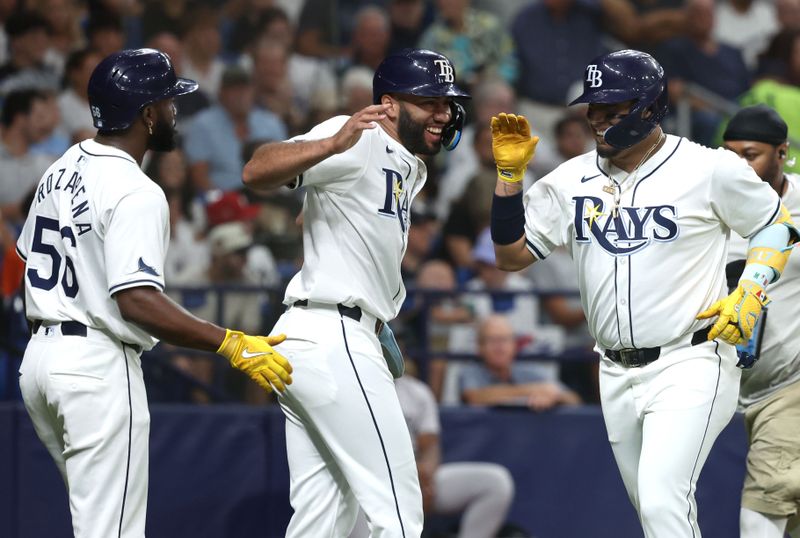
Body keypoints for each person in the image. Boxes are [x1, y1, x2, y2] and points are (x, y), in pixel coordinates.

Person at [488, 49, 797, 537]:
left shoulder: (707, 167)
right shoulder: (571, 179)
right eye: (593, 109)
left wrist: (754, 288)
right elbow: (511, 256)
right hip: (612, 369)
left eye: (613, 110)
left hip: (691, 358)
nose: (598, 120)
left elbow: (776, 224)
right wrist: (507, 180)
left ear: (650, 108)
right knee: (656, 515)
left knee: (661, 502)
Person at [16, 49, 293, 538]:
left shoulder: (63, 165)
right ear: (146, 114)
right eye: (167, 101)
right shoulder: (136, 190)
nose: (174, 111)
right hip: (95, 367)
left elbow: (27, 261)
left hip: (41, 362)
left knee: (96, 523)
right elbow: (136, 300)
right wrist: (227, 341)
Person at [241, 48, 470, 538]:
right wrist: (331, 145)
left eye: (447, 103)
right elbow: (258, 169)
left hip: (320, 337)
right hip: (335, 336)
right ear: (388, 104)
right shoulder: (359, 136)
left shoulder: (405, 162)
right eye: (429, 101)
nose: (444, 113)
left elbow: (344, 209)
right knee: (399, 511)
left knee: (324, 521)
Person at [720, 105, 800, 538]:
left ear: (782, 153)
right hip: (729, 389)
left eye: (749, 154)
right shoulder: (709, 209)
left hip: (790, 385)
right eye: (728, 153)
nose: (738, 165)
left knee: (762, 508)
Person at [350, 369, 516, 538]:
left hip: (416, 475)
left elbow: (430, 444)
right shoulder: (349, 389)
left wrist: (425, 476)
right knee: (352, 496)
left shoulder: (416, 391)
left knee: (495, 482)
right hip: (371, 482)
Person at [459, 314, 580, 410]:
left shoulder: (529, 369)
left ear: (514, 345)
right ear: (480, 347)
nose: (499, 346)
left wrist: (555, 396)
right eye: (492, 340)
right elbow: (475, 398)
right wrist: (534, 390)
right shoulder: (470, 371)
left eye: (504, 340)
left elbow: (574, 400)